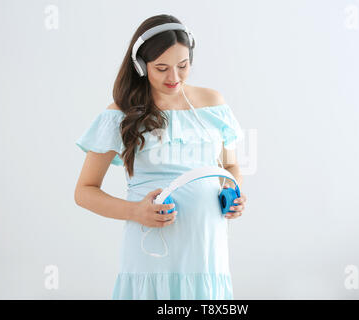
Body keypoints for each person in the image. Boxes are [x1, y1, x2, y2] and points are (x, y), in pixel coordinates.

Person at [74, 14, 247, 300]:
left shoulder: (213, 103)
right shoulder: (120, 114)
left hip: (206, 252)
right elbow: (84, 191)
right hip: (150, 252)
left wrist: (235, 191)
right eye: (162, 68)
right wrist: (135, 211)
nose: (174, 78)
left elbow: (229, 166)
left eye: (183, 66)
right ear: (142, 67)